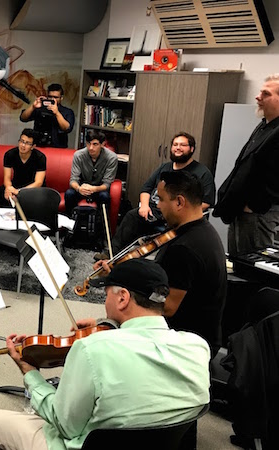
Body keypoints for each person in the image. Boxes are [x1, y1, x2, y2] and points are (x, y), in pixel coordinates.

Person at [0, 259, 210, 450]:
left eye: (107, 294)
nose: (105, 301)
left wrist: (31, 374)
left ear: (123, 298)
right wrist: (106, 325)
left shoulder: (91, 348)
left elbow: (64, 425)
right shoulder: (198, 347)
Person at [152, 171, 227, 355]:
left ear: (179, 202)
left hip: (187, 347)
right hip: (204, 337)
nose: (158, 205)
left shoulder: (184, 249)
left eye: (161, 199)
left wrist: (129, 298)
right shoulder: (204, 230)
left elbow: (167, 308)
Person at [107, 131, 215, 257]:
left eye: (182, 145)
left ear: (191, 149)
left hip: (176, 217)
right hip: (153, 212)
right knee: (132, 216)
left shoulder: (202, 172)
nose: (178, 148)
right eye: (175, 144)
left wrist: (179, 213)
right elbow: (146, 188)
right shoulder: (165, 167)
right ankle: (113, 256)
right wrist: (144, 206)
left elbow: (206, 202)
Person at [214, 74, 279, 256]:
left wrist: (254, 206)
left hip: (257, 215)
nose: (258, 97)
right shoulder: (264, 125)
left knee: (251, 271)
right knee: (237, 265)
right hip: (241, 211)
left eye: (266, 94)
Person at [64, 129, 117, 215]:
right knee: (69, 193)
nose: (91, 148)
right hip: (82, 188)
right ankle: (70, 224)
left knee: (105, 196)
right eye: (88, 143)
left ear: (102, 144)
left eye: (95, 144)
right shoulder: (78, 155)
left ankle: (101, 226)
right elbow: (73, 180)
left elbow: (107, 184)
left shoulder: (111, 158)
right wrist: (79, 188)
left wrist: (94, 189)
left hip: (99, 189)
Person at [0, 128, 46, 206]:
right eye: (22, 141)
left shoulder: (40, 157)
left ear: (33, 146)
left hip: (33, 188)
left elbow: (38, 182)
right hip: (16, 184)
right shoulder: (10, 154)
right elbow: (7, 178)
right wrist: (9, 189)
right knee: (1, 191)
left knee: (38, 196)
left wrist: (19, 192)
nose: (23, 145)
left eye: (27, 143)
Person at [19, 83, 75, 148]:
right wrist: (33, 107)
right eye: (50, 97)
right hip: (38, 145)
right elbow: (23, 118)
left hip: (58, 147)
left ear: (61, 98)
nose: (52, 99)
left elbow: (67, 128)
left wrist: (57, 113)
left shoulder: (67, 112)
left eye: (55, 97)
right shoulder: (40, 109)